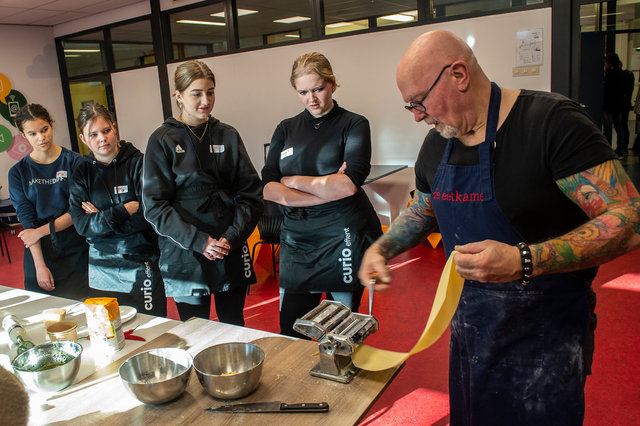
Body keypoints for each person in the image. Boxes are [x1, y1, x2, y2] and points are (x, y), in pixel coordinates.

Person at [358, 30, 640, 425]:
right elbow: (426, 209)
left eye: (419, 102)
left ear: (458, 74)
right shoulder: (440, 142)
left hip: (545, 342)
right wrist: (384, 248)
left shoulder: (550, 123)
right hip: (471, 336)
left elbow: (628, 218)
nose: (418, 116)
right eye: (410, 107)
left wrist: (524, 259)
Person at [262, 52, 382, 338]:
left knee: (343, 330)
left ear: (332, 84)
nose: (311, 99)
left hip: (341, 235)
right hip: (298, 240)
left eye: (318, 89)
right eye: (303, 92)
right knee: (291, 329)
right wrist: (324, 187)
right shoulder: (286, 128)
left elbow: (348, 185)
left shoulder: (354, 124)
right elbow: (267, 186)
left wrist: (290, 181)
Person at [142, 60, 262, 324]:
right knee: (196, 329)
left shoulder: (227, 135)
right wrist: (200, 242)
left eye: (210, 92)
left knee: (234, 325)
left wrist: (231, 237)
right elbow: (155, 206)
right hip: (186, 253)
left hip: (229, 247)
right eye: (196, 94)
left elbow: (251, 195)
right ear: (179, 96)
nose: (205, 100)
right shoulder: (162, 140)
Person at [69, 103, 166, 317]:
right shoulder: (81, 173)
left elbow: (147, 217)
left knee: (151, 326)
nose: (102, 138)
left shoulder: (139, 164)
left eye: (106, 130)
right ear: (83, 139)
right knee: (109, 330)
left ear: (115, 128)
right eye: (93, 134)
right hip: (101, 265)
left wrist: (100, 219)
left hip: (141, 261)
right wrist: (122, 210)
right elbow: (82, 225)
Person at [8, 104, 90, 300]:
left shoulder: (76, 162)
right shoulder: (18, 172)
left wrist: (39, 232)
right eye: (32, 133)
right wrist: (40, 266)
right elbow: (27, 223)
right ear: (23, 135)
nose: (41, 137)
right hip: (39, 249)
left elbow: (78, 210)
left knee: (83, 308)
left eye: (44, 129)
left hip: (75, 244)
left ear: (52, 125)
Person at [603, 52, 630, 156]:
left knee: (608, 129)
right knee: (619, 128)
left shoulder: (610, 75)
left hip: (609, 106)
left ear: (610, 62)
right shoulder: (622, 74)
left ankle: (608, 149)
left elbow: (607, 90)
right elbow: (625, 90)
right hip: (618, 106)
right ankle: (620, 148)